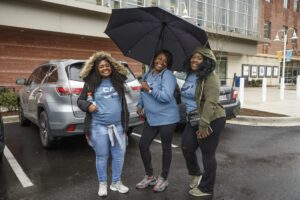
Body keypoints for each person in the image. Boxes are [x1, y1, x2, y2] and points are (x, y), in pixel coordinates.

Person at [77, 51, 129, 197]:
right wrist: (88, 106)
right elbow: (80, 101)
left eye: (107, 65)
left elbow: (124, 106)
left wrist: (125, 127)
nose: (105, 68)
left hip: (118, 126)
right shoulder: (90, 83)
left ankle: (116, 182)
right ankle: (102, 183)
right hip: (98, 126)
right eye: (101, 66)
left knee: (119, 155)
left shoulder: (118, 82)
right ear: (96, 69)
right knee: (102, 156)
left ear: (111, 66)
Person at [181, 46, 226, 197]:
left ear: (206, 61)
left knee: (207, 153)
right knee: (187, 147)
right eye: (193, 57)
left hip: (211, 119)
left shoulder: (210, 76)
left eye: (199, 58)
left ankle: (207, 188)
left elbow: (211, 102)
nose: (195, 60)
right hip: (192, 118)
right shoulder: (190, 74)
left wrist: (204, 124)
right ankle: (196, 173)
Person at [136, 49, 180, 192]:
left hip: (167, 117)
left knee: (166, 148)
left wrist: (150, 90)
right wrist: (140, 104)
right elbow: (142, 92)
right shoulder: (148, 73)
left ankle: (163, 178)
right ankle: (150, 176)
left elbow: (166, 97)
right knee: (143, 144)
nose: (161, 63)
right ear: (154, 58)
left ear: (168, 65)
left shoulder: (168, 76)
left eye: (165, 61)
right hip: (152, 117)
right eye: (159, 59)